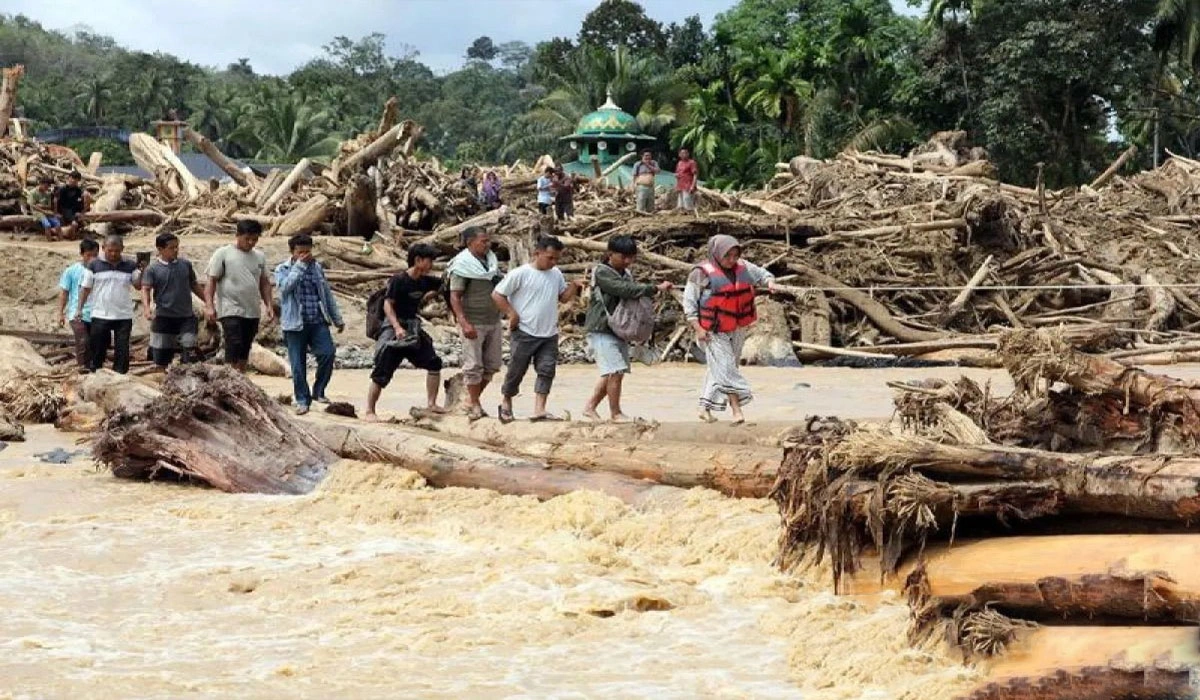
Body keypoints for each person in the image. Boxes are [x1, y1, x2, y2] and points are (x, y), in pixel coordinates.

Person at [683, 235, 777, 425]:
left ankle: (704, 408)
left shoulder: (743, 267)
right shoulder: (699, 274)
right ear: (717, 254)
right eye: (728, 256)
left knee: (722, 367)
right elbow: (689, 304)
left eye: (735, 255)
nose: (732, 260)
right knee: (726, 368)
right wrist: (698, 329)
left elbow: (763, 275)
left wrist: (770, 283)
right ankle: (737, 410)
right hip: (712, 331)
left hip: (737, 327)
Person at [582, 235, 673, 422]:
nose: (628, 261)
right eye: (624, 257)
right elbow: (624, 290)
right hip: (601, 327)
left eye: (631, 257)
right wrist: (654, 288)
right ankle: (615, 413)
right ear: (610, 254)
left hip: (618, 329)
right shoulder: (602, 273)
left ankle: (590, 407)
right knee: (615, 370)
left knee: (615, 371)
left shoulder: (625, 273)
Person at [492, 235, 581, 423]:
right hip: (525, 330)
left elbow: (563, 298)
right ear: (537, 253)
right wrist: (511, 314)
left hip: (549, 332)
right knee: (516, 369)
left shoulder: (556, 274)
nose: (553, 262)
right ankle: (506, 402)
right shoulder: (520, 273)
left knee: (547, 369)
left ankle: (539, 408)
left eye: (556, 258)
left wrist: (574, 286)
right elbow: (498, 294)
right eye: (550, 257)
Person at [365, 243, 446, 421]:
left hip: (413, 328)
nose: (432, 264)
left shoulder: (425, 281)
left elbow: (444, 284)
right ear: (417, 260)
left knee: (434, 363)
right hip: (396, 327)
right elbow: (388, 304)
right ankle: (370, 410)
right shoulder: (399, 280)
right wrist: (397, 327)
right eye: (429, 260)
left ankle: (431, 403)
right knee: (381, 372)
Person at [275, 234, 344, 415]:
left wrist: (337, 319)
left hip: (317, 321)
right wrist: (299, 267)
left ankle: (319, 390)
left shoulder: (317, 268)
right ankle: (302, 400)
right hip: (294, 324)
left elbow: (326, 294)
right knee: (298, 365)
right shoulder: (283, 269)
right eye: (300, 252)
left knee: (328, 354)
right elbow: (285, 288)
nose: (305, 255)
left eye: (307, 251)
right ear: (292, 252)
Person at [447, 226, 504, 420]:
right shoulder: (462, 265)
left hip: (493, 319)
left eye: (488, 241)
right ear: (470, 243)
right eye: (483, 241)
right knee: (473, 366)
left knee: (493, 364)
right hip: (473, 320)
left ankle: (472, 400)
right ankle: (474, 403)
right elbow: (455, 296)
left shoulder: (491, 263)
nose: (487, 245)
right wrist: (463, 322)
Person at [204, 219, 275, 372]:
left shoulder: (259, 256)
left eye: (254, 239)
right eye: (247, 239)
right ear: (237, 235)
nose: (250, 243)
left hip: (252, 310)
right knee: (233, 342)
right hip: (230, 308)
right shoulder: (223, 253)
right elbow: (211, 281)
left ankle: (240, 375)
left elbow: (264, 283)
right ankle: (229, 374)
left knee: (245, 346)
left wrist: (269, 304)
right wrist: (209, 306)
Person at [74, 235, 141, 374]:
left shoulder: (130, 266)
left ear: (122, 249)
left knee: (122, 348)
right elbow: (85, 289)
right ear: (103, 248)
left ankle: (120, 376)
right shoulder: (94, 265)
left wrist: (143, 271)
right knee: (97, 347)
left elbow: (138, 286)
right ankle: (96, 373)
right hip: (100, 313)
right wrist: (79, 309)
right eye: (110, 250)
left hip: (123, 315)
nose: (113, 254)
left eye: (117, 251)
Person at [141, 233, 204, 370]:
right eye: (171, 248)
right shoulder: (152, 269)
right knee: (161, 358)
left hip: (186, 317)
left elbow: (194, 285)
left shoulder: (185, 265)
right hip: (164, 317)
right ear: (160, 249)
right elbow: (145, 289)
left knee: (190, 349)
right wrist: (146, 308)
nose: (175, 250)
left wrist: (209, 302)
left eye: (177, 247)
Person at [57, 239, 99, 370]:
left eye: (95, 255)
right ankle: (83, 368)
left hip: (97, 312)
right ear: (82, 254)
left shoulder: (101, 270)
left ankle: (94, 368)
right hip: (77, 313)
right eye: (89, 255)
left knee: (96, 342)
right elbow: (64, 293)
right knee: (83, 341)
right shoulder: (71, 271)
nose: (92, 259)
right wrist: (60, 313)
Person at [56, 171, 92, 237]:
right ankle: (72, 236)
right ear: (69, 178)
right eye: (72, 178)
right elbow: (56, 201)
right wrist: (57, 212)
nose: (73, 181)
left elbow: (80, 201)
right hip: (66, 211)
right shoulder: (62, 189)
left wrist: (81, 211)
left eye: (76, 180)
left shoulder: (78, 190)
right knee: (74, 224)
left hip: (75, 211)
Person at [674, 147, 699, 213]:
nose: (684, 154)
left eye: (685, 153)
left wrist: (693, 186)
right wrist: (676, 176)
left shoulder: (692, 162)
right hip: (680, 186)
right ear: (679, 154)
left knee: (688, 205)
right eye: (682, 153)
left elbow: (695, 175)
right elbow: (677, 173)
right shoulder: (679, 163)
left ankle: (690, 219)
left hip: (688, 186)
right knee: (680, 206)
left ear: (688, 154)